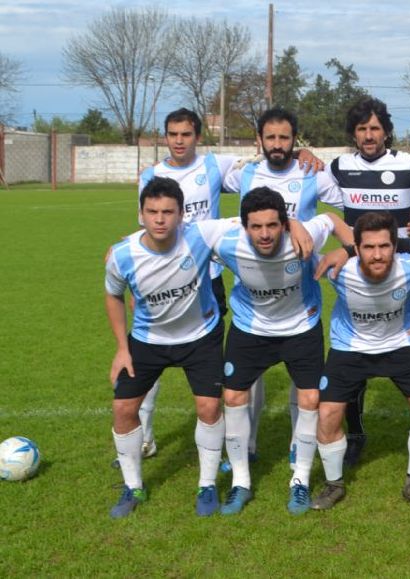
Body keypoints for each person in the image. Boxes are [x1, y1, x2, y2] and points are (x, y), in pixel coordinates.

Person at [133, 107, 321, 465]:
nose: (179, 141)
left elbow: (272, 154)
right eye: (173, 134)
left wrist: (302, 154)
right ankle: (144, 436)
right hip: (165, 275)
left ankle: (243, 443)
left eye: (186, 134)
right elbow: (147, 229)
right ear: (165, 136)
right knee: (148, 350)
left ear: (197, 137)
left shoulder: (216, 166)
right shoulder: (150, 175)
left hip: (212, 277)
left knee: (236, 364)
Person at [204, 187, 353, 515]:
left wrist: (349, 249)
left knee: (311, 399)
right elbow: (177, 230)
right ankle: (241, 482)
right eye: (256, 227)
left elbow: (330, 218)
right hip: (250, 329)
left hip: (301, 328)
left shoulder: (301, 236)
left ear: (284, 224)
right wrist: (122, 247)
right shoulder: (226, 239)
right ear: (244, 227)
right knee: (232, 398)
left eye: (272, 225)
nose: (265, 233)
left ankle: (299, 480)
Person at [223, 107, 344, 466]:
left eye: (285, 138)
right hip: (254, 290)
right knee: (248, 380)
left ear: (295, 141)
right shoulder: (243, 174)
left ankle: (297, 443)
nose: (278, 145)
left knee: (302, 381)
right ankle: (247, 444)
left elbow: (348, 208)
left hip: (299, 291)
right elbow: (188, 182)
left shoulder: (312, 173)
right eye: (271, 138)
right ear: (259, 140)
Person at [105, 176, 230, 518]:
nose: (160, 219)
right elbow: (113, 295)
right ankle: (133, 487)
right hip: (147, 342)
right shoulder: (122, 255)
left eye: (168, 212)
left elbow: (254, 220)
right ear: (141, 214)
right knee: (123, 409)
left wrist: (294, 224)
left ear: (182, 214)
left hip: (200, 337)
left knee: (208, 407)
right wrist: (121, 347)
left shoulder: (201, 235)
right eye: (152, 211)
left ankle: (206, 485)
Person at [325, 97, 410, 466]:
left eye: (375, 128)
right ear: (353, 134)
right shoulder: (340, 167)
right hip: (357, 272)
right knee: (353, 355)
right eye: (361, 129)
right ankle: (355, 434)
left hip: (403, 270)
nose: (369, 135)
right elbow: (308, 192)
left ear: (386, 130)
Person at [311, 211, 410, 510]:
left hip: (401, 345)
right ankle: (334, 485)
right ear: (356, 249)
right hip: (350, 348)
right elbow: (295, 246)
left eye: (385, 246)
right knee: (328, 413)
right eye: (369, 247)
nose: (378, 254)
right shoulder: (338, 270)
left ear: (396, 246)